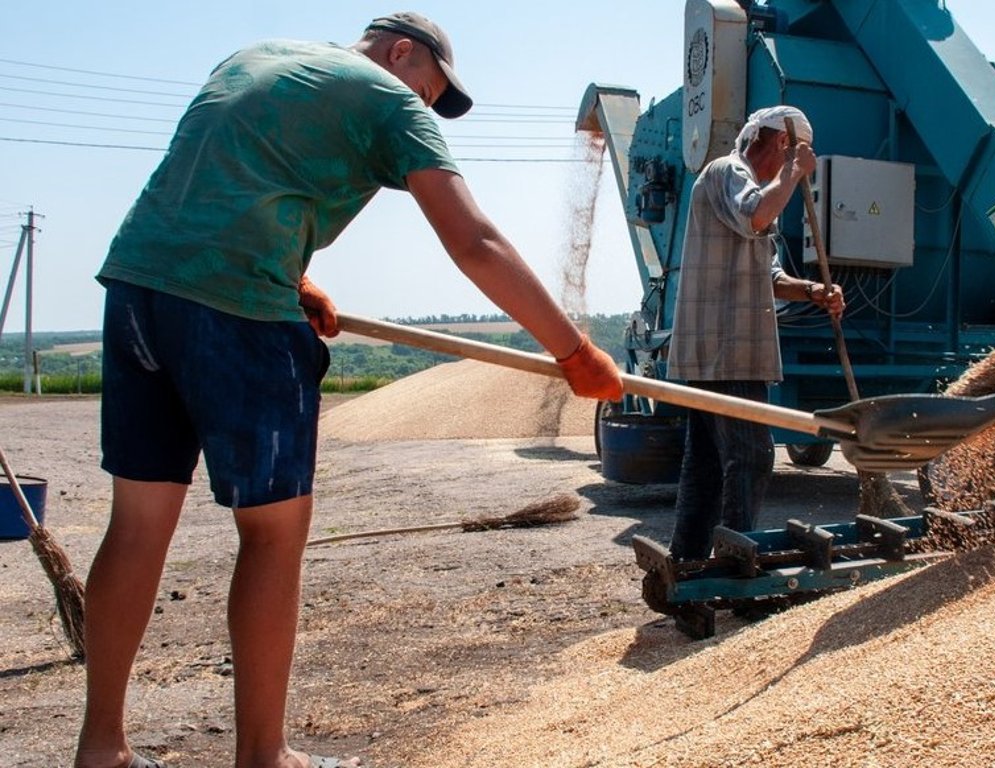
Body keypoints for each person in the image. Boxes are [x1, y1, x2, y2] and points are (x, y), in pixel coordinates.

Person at [76, 12, 622, 768]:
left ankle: (101, 749)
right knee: (272, 534)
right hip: (237, 311)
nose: (425, 109)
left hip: (138, 283)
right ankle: (264, 758)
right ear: (402, 52)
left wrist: (292, 274)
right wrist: (575, 351)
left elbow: (223, 180)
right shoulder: (388, 98)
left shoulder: (257, 55)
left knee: (137, 524)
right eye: (430, 90)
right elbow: (475, 241)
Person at [665, 106, 845, 562]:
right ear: (782, 143)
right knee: (752, 457)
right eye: (791, 153)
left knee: (705, 467)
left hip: (719, 352)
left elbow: (770, 274)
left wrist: (814, 291)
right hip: (728, 351)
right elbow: (757, 217)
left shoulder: (752, 187)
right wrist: (793, 173)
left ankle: (686, 564)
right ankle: (733, 566)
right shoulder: (728, 171)